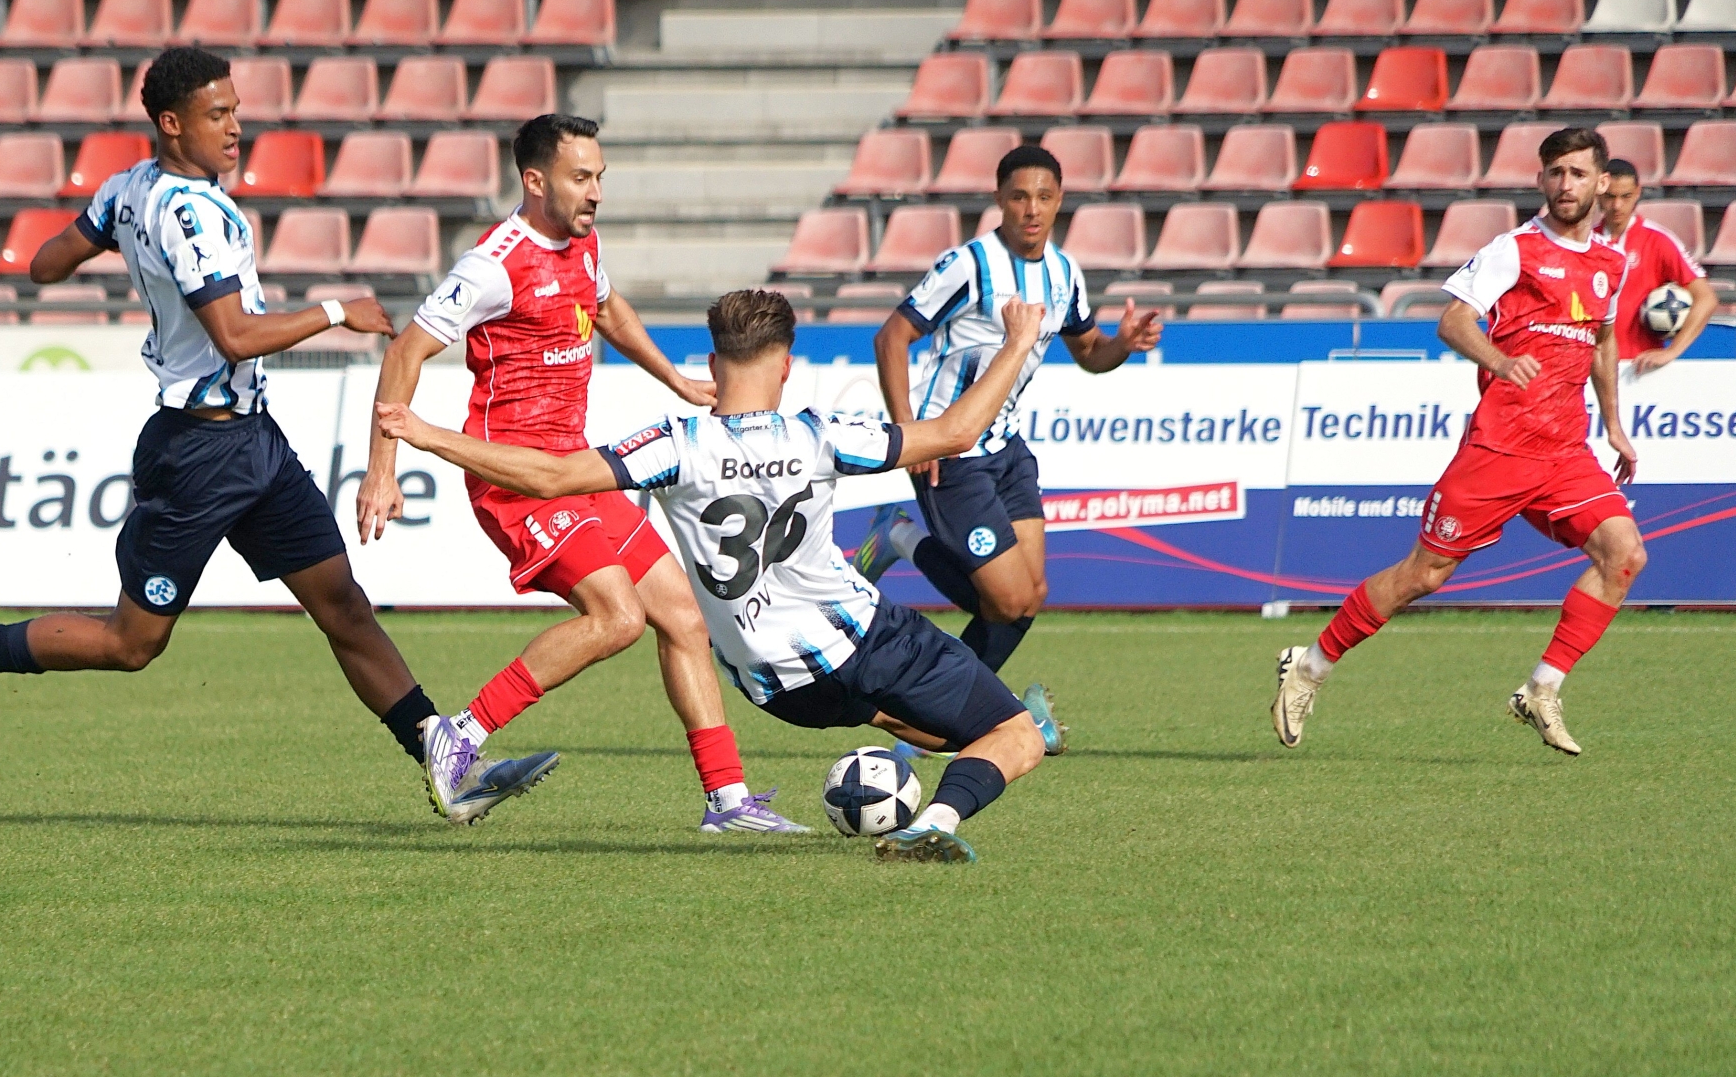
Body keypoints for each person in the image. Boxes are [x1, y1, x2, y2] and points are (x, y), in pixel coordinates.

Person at [0, 47, 557, 825]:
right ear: (172, 124)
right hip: (197, 452)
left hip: (253, 443)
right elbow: (235, 335)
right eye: (218, 114)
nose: (236, 127)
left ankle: (444, 763)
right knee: (131, 643)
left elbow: (44, 264)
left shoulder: (128, 188)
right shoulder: (190, 213)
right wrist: (337, 311)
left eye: (235, 110)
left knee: (342, 603)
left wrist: (111, 240)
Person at [374, 289, 1067, 864]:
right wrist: (1015, 343)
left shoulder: (675, 445)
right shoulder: (820, 435)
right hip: (869, 641)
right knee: (1017, 735)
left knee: (949, 732)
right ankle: (938, 820)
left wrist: (428, 434)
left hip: (780, 689)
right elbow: (955, 433)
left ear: (712, 362)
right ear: (787, 367)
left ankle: (938, 758)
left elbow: (550, 476)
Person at [356, 114, 805, 834]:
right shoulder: (493, 265)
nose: (595, 192)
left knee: (682, 616)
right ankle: (459, 733)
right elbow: (404, 351)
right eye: (580, 177)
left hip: (575, 467)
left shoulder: (583, 243)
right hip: (516, 478)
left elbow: (607, 307)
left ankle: (728, 802)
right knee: (617, 617)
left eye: (599, 177)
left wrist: (674, 380)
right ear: (535, 182)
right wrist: (383, 470)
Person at [1269, 127, 1648, 758]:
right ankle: (1308, 667)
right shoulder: (1515, 250)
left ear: (1601, 183)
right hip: (1499, 450)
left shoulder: (1611, 262)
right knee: (1424, 575)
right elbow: (1453, 320)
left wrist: (1613, 424)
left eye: (1579, 173)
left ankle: (1542, 689)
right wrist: (1500, 361)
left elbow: (1603, 340)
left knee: (1625, 554)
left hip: (1565, 453)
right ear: (1541, 180)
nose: (1566, 185)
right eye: (1556, 173)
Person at [854, 146, 1161, 688]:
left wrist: (1123, 344)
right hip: (950, 448)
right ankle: (899, 538)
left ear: (1060, 201)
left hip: (1008, 449)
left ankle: (953, 710)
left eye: (1044, 196)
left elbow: (1089, 352)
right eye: (1019, 197)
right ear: (999, 199)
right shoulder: (970, 265)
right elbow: (891, 337)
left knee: (1030, 595)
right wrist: (909, 435)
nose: (1032, 209)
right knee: (1007, 601)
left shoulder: (1064, 272)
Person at [1596, 157, 1718, 371]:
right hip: (1591, 369)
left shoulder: (1658, 240)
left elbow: (1706, 298)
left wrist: (1672, 351)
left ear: (1638, 192)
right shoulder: (1585, 241)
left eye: (1625, 196)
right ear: (1598, 193)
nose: (1617, 205)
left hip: (1639, 369)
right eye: (1610, 197)